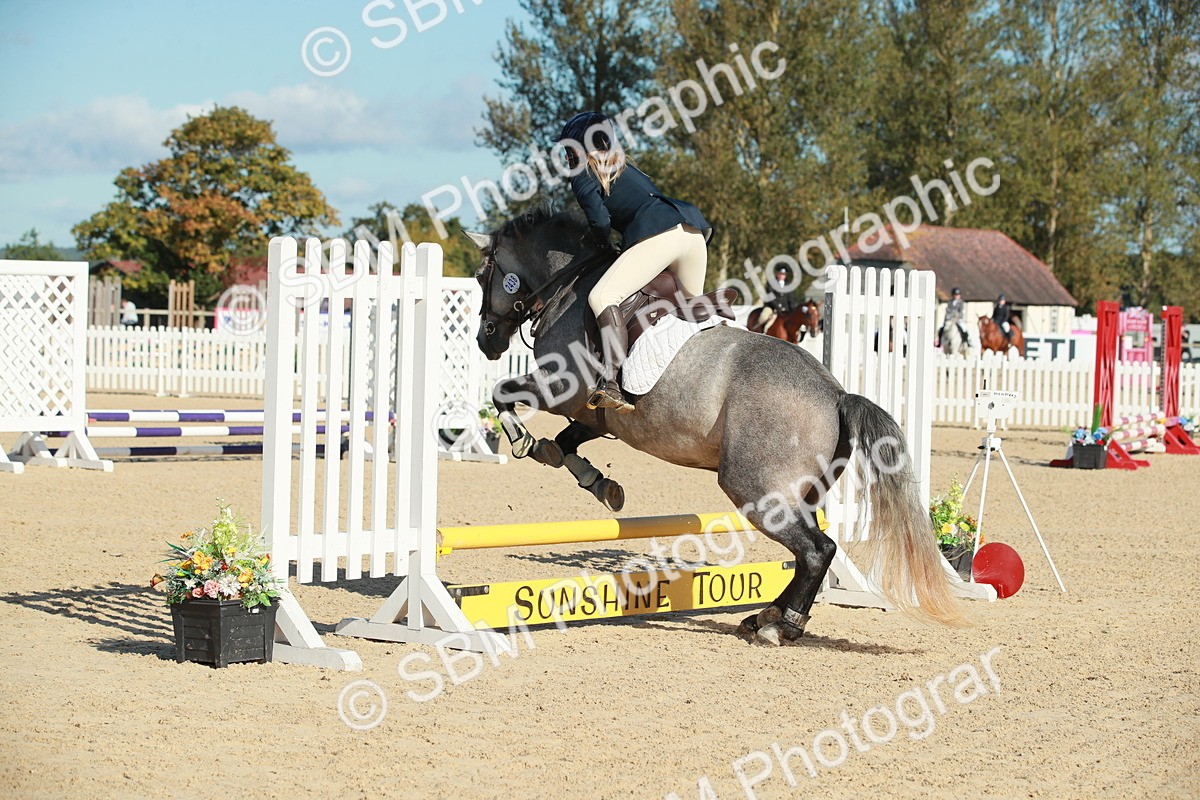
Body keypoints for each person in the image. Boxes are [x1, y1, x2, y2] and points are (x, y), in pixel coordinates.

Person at [560, 111, 713, 412]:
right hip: (692, 234)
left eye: (568, 148)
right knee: (686, 315)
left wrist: (603, 244)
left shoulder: (583, 173)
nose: (566, 156)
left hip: (661, 236)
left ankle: (612, 383)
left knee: (602, 296)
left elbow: (600, 221)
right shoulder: (626, 168)